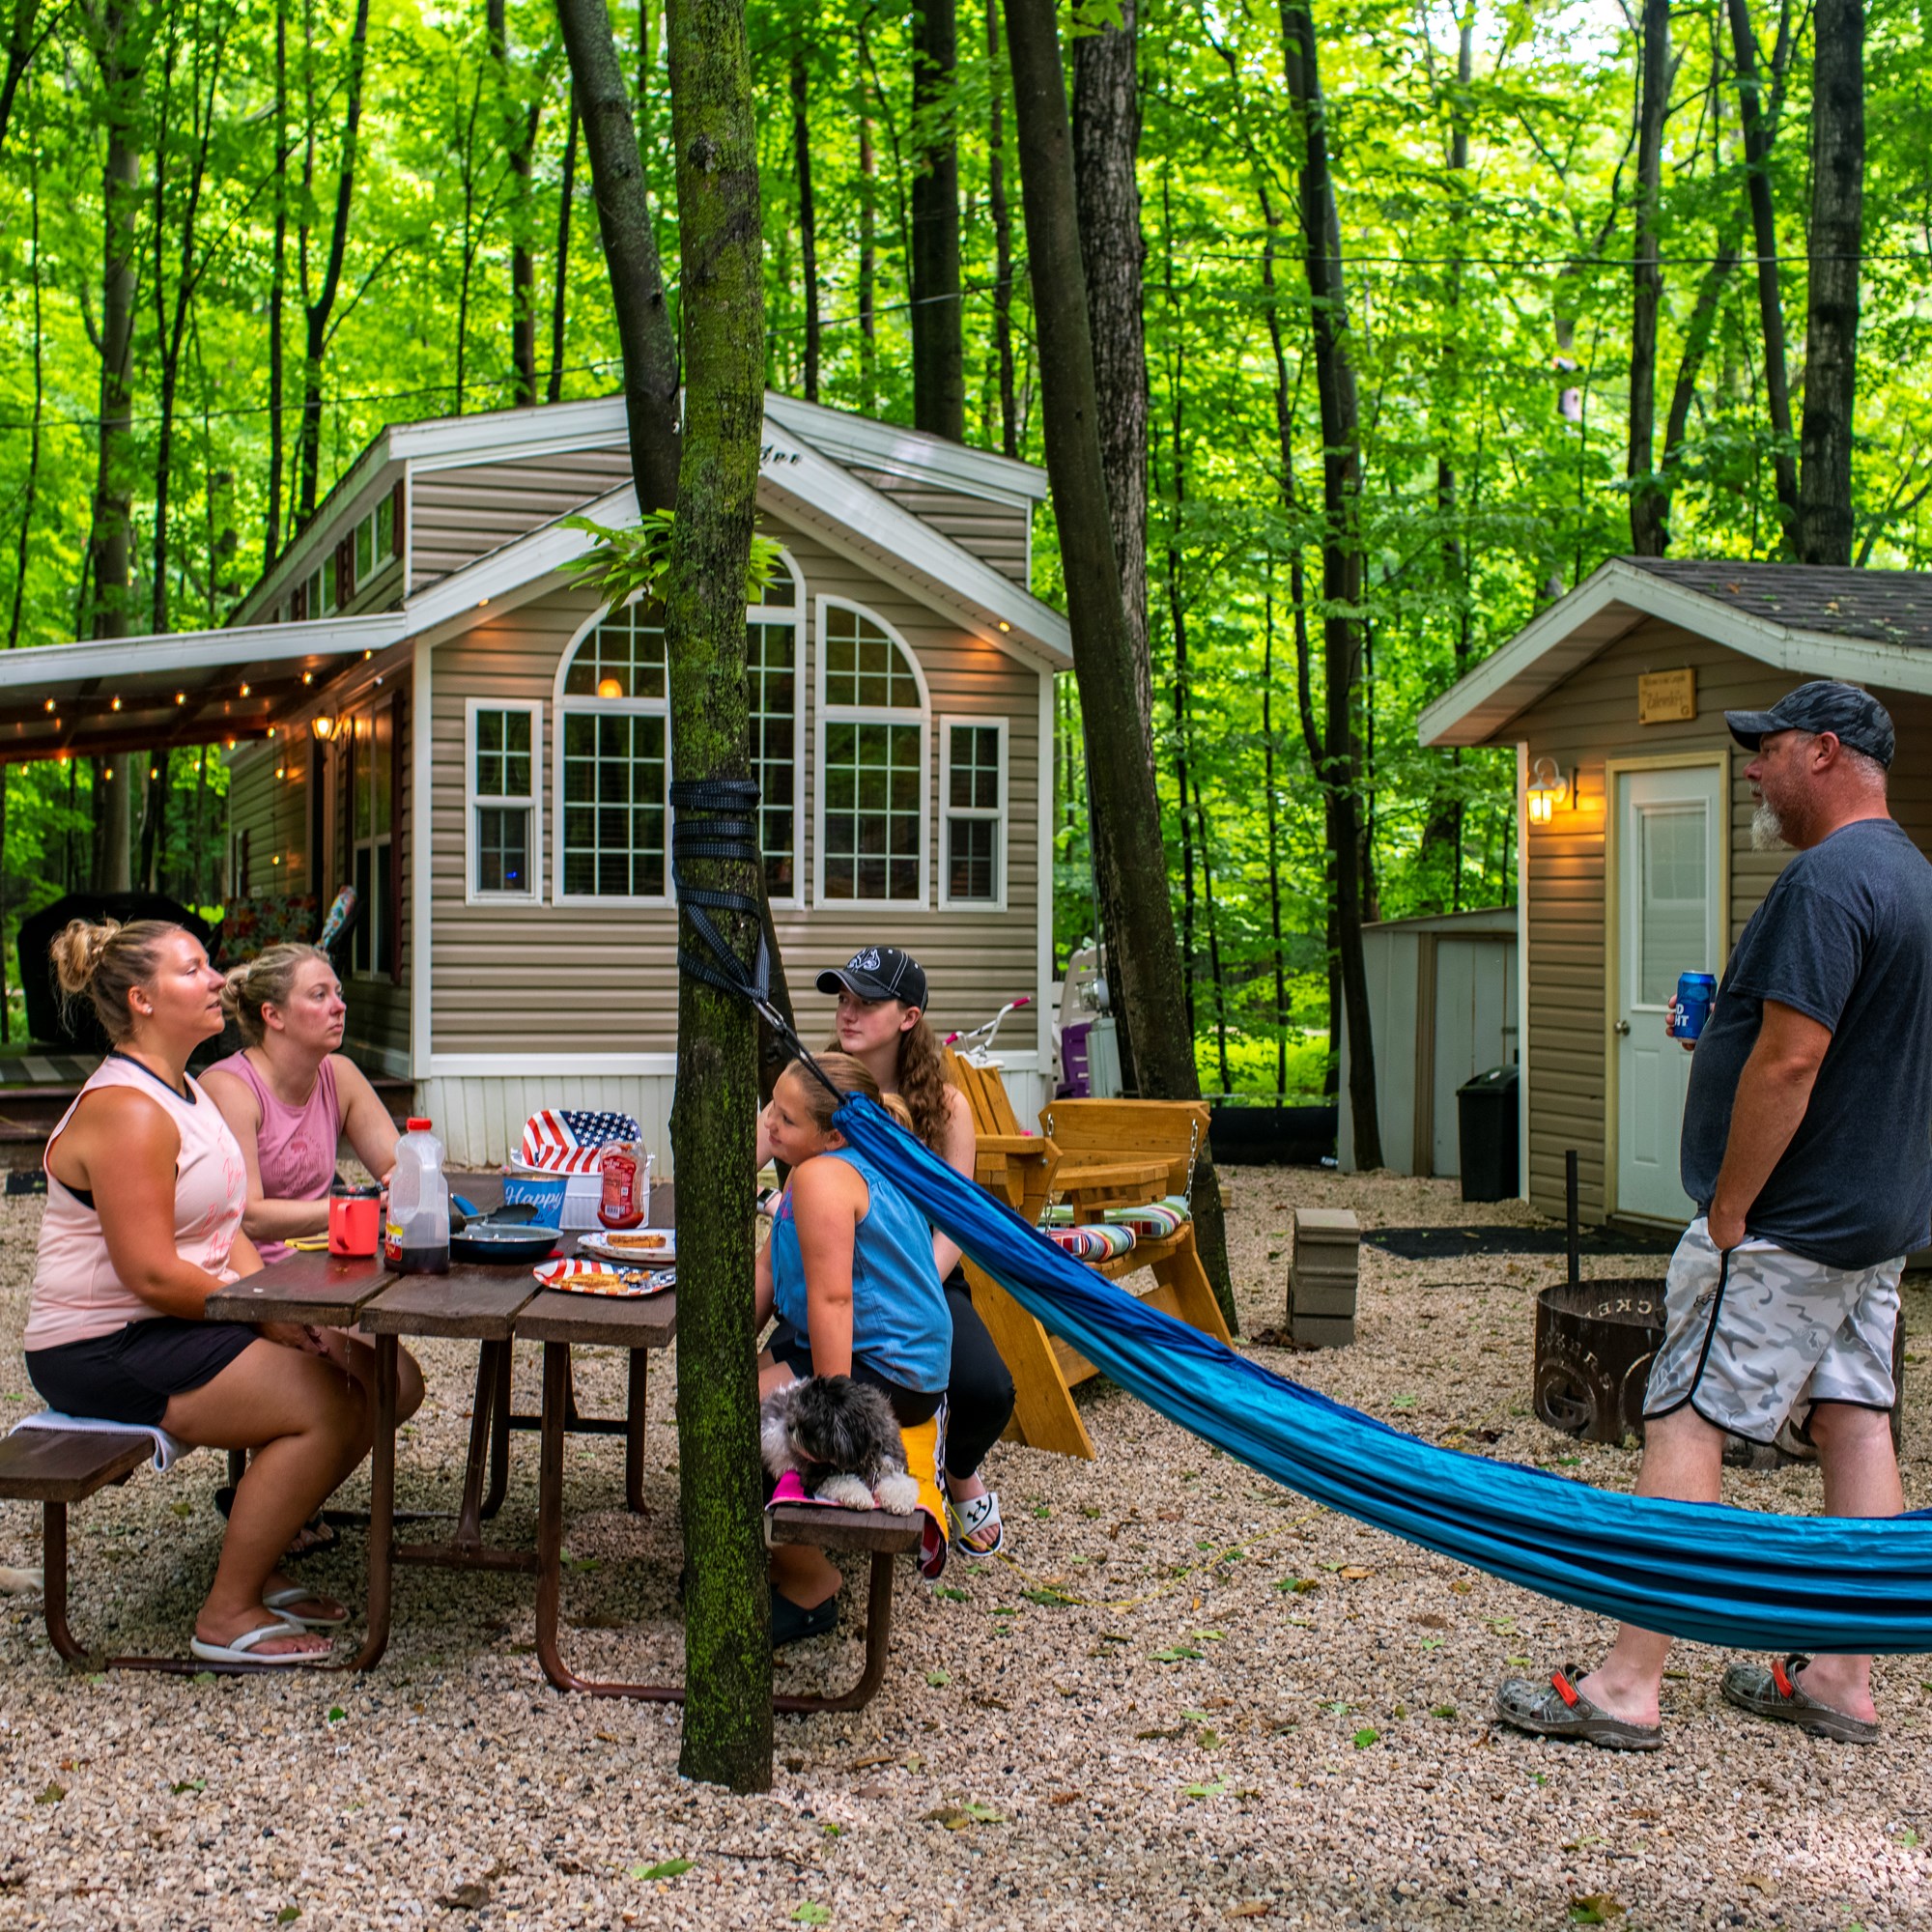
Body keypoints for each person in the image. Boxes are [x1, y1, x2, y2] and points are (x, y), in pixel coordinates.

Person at [1497, 681, 1932, 1749]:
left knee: (1683, 1413)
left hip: (1786, 1222)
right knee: (1851, 1417)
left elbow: (1793, 1057)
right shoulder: (1913, 876)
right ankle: (1838, 1675)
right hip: (1872, 1219)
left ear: (1824, 752)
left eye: (1765, 747)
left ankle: (1625, 1684)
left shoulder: (1823, 882)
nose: (1749, 767)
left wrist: (1730, 1206)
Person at [22, 920, 380, 1665]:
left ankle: (262, 1559)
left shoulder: (184, 1092)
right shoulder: (126, 1110)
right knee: (328, 1400)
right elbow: (149, 1272)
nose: (218, 979)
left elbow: (224, 1230)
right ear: (141, 999)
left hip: (175, 1320)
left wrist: (286, 1312)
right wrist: (264, 1316)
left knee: (368, 1376)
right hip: (100, 1344)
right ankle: (225, 1615)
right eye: (193, 970)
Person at [813, 946, 1017, 1554]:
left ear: (908, 1016)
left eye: (867, 1002)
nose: (848, 1013)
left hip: (924, 1269)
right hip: (835, 1273)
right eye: (843, 999)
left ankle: (955, 1473)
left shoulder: (946, 1106)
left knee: (988, 1390)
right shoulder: (818, 1082)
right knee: (806, 1385)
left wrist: (918, 1283)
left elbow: (958, 1219)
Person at [754, 1051, 952, 1644]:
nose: (770, 1127)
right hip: (887, 1352)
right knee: (720, 1389)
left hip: (889, 1369)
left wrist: (829, 1420)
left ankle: (810, 1585)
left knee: (736, 1421)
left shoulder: (820, 1178)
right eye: (772, 1108)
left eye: (786, 1121)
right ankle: (753, 1551)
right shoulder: (833, 1161)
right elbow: (769, 1265)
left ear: (832, 1133)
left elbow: (836, 1303)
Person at [203, 946, 426, 1461]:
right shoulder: (230, 1088)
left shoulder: (338, 1075)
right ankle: (279, 1495)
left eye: (339, 994)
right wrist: (355, 1207)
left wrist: (403, 1183)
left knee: (403, 1385)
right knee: (379, 1387)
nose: (339, 1006)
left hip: (330, 1276)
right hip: (257, 1286)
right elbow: (248, 1215)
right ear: (273, 1015)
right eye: (319, 995)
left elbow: (400, 1172)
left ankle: (288, 1486)